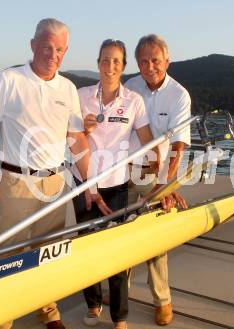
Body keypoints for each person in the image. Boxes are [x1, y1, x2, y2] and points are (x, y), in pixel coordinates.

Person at [0, 18, 108, 329]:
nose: (53, 54)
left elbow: (76, 139)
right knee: (8, 252)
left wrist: (90, 184)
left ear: (66, 52)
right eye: (47, 46)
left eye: (60, 49)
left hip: (54, 182)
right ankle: (1, 318)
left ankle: (47, 311)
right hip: (16, 181)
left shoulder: (67, 88)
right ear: (33, 45)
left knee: (47, 251)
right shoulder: (9, 80)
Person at [71, 39, 159, 329]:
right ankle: (94, 305)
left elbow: (147, 139)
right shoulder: (80, 95)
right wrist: (84, 127)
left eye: (116, 62)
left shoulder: (133, 101)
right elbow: (69, 135)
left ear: (123, 67)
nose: (110, 66)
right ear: (98, 63)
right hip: (84, 183)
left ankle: (120, 317)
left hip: (117, 185)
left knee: (116, 253)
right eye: (105, 60)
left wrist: (161, 164)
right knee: (86, 249)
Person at [125, 34, 191, 326]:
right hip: (124, 171)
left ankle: (162, 300)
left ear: (167, 61)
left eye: (155, 60)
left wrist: (167, 184)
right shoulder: (130, 87)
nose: (149, 66)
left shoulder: (178, 95)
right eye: (143, 60)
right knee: (120, 234)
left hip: (157, 174)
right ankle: (118, 295)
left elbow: (179, 145)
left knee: (154, 239)